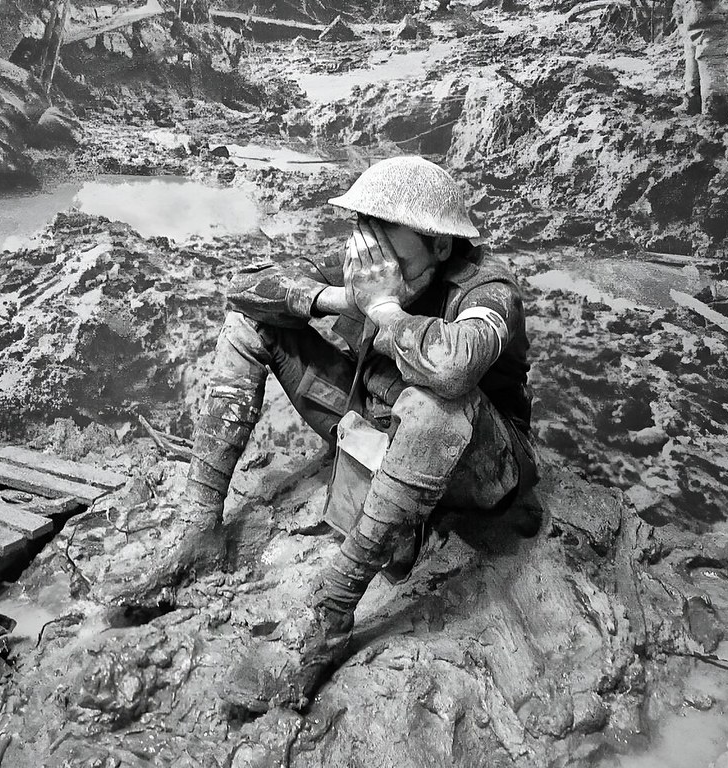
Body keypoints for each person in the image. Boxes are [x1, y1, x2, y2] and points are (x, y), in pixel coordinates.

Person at [140, 156, 536, 710]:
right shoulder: (372, 264)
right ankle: (198, 530)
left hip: (477, 462)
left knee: (436, 400)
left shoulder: (487, 289)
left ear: (440, 245)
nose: (364, 244)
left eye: (381, 231)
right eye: (361, 226)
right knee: (253, 323)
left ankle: (331, 612)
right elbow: (247, 290)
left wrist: (386, 310)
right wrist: (342, 298)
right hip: (374, 419)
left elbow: (453, 369)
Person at [674, 0, 728, 121]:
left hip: (703, 15)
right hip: (700, 15)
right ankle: (705, 109)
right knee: (701, 65)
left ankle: (710, 113)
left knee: (707, 64)